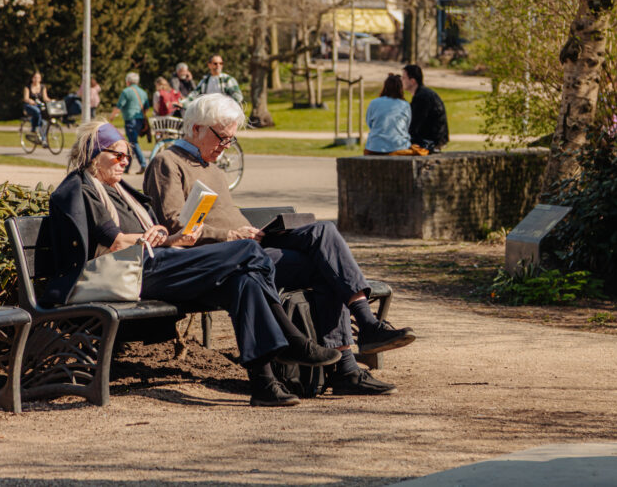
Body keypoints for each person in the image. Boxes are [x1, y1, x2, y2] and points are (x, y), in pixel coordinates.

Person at [45, 120, 342, 406]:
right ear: (95, 154)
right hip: (133, 274)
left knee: (244, 282)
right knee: (249, 252)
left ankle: (263, 383)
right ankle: (292, 340)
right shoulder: (82, 188)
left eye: (128, 155)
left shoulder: (119, 190)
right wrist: (153, 237)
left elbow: (146, 240)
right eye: (118, 155)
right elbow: (116, 242)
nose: (126, 161)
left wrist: (175, 239)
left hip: (156, 263)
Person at [143, 94, 416, 395]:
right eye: (222, 138)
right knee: (322, 266)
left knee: (324, 235)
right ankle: (349, 362)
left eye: (231, 140)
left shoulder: (214, 169)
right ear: (195, 128)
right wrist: (231, 236)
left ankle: (361, 336)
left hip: (251, 246)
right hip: (218, 259)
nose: (225, 147)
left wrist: (254, 232)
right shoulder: (167, 162)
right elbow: (173, 226)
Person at [364, 74, 426, 156]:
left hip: (374, 147)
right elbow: (407, 125)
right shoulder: (405, 105)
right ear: (400, 88)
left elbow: (370, 123)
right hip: (399, 145)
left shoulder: (374, 103)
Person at [402, 64, 449, 152]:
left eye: (404, 78)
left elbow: (414, 124)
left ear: (412, 81)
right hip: (433, 138)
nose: (401, 80)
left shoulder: (422, 97)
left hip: (430, 141)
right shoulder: (423, 94)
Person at [109, 72, 150, 175]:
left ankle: (143, 164)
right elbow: (147, 108)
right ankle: (127, 167)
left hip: (130, 120)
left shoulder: (126, 91)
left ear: (128, 81)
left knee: (133, 143)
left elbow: (119, 105)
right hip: (140, 120)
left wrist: (112, 116)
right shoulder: (143, 92)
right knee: (131, 144)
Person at [22, 72, 51, 143]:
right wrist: (30, 101)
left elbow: (45, 98)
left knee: (44, 122)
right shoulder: (27, 87)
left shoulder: (42, 87)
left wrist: (51, 100)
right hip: (29, 106)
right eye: (35, 77)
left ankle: (43, 139)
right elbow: (25, 98)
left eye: (38, 77)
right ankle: (34, 128)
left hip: (39, 105)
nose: (36, 79)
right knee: (37, 111)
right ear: (32, 78)